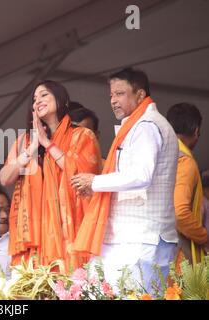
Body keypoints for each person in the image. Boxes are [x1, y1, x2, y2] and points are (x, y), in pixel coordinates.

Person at [71, 68, 178, 294]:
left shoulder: (147, 125)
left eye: (120, 94)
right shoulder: (137, 125)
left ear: (140, 95)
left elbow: (141, 175)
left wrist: (95, 182)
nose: (113, 101)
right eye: (111, 95)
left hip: (143, 235)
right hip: (129, 236)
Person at [0, 80, 102, 274]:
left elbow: (81, 175)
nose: (38, 100)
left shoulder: (82, 136)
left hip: (70, 228)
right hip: (35, 232)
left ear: (61, 99)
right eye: (34, 98)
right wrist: (31, 149)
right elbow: (5, 177)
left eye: (44, 94)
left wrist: (48, 144)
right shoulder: (25, 141)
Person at [166, 103, 207, 265]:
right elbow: (180, 213)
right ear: (196, 131)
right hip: (178, 254)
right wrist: (203, 236)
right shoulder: (185, 161)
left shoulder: (160, 152)